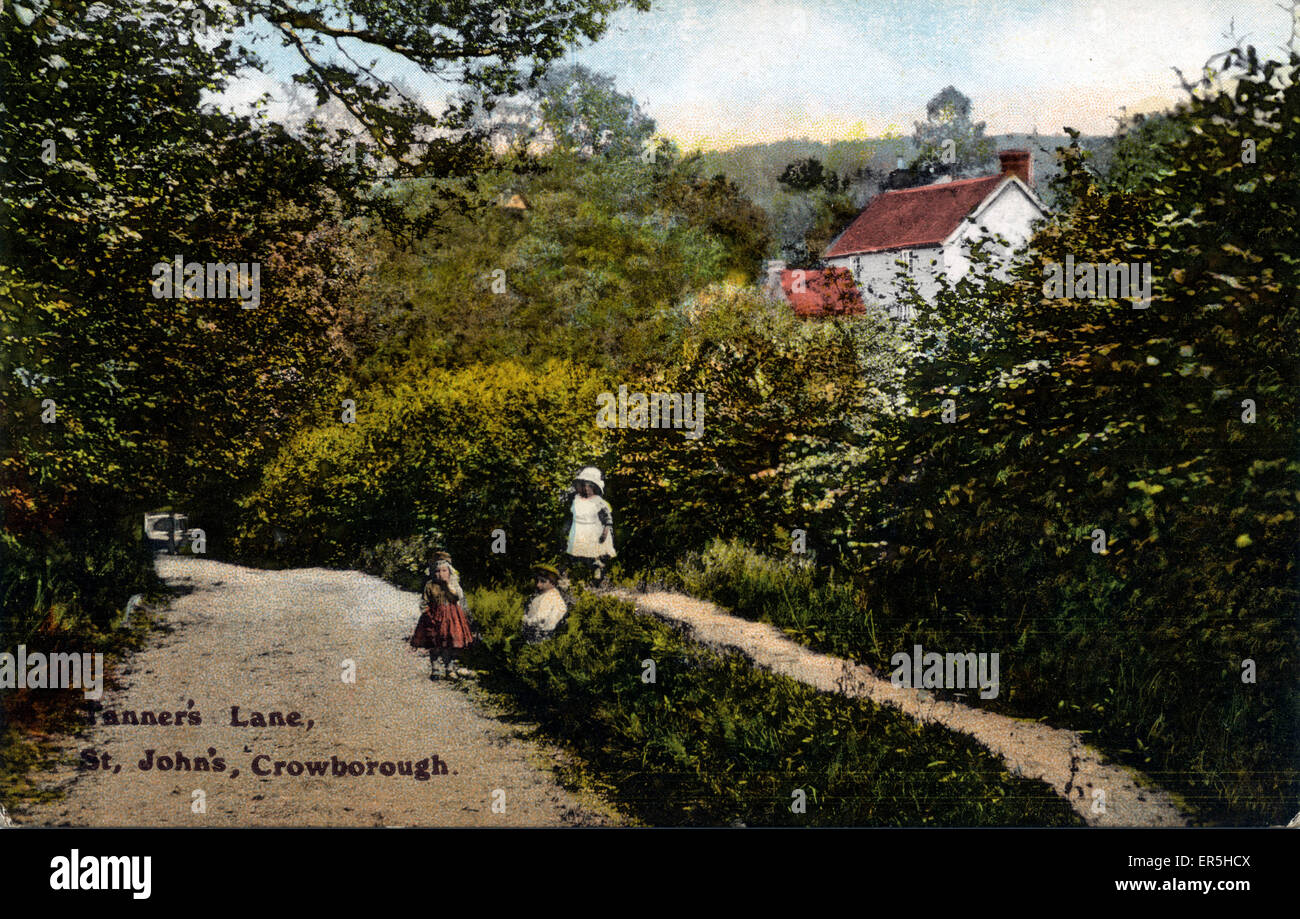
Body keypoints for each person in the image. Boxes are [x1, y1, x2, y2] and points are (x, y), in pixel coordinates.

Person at [409, 553, 474, 680]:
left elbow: (456, 597)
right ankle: (435, 669)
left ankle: (449, 669)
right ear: (433, 572)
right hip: (434, 616)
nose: (441, 574)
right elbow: (424, 601)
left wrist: (447, 585)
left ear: (449, 572)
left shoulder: (453, 584)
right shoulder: (430, 585)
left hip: (451, 616)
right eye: (437, 571)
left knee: (449, 642)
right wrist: (427, 614)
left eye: (444, 571)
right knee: (434, 643)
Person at [564, 466, 615, 586]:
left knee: (594, 556)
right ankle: (579, 578)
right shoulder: (576, 500)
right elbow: (572, 517)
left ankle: (598, 575)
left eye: (590, 486)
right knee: (579, 556)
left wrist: (605, 532)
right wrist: (566, 530)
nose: (586, 489)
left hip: (594, 531)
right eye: (584, 486)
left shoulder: (598, 502)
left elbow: (607, 519)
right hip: (579, 532)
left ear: (595, 488)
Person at [521, 564, 569, 643]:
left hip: (543, 638)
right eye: (537, 581)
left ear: (552, 583)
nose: (538, 584)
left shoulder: (551, 597)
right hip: (535, 634)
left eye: (543, 581)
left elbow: (541, 618)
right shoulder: (543, 595)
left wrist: (526, 620)